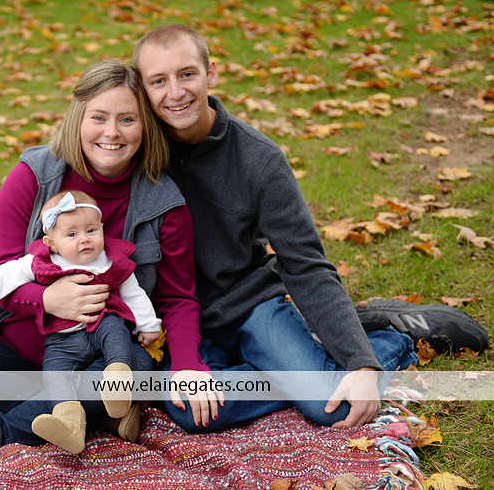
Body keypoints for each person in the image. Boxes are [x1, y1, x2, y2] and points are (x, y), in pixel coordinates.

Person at [0, 59, 217, 479]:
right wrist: (47, 299)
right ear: (78, 117)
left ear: (145, 126)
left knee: (124, 374)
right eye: (99, 117)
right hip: (22, 345)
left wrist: (187, 366)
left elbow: (178, 297)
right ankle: (99, 413)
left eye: (127, 119)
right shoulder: (33, 177)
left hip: (109, 350)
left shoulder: (163, 203)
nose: (112, 133)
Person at [132, 24, 419, 432]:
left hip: (250, 304)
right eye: (159, 81)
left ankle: (387, 340)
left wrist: (361, 363)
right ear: (142, 89)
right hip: (178, 320)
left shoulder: (259, 159)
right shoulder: (135, 150)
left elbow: (305, 264)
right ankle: (306, 369)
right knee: (189, 410)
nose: (175, 92)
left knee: (330, 405)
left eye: (187, 74)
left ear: (211, 73)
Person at [0, 189, 162, 454]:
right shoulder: (40, 262)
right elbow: (6, 274)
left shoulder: (112, 261)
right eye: (72, 234)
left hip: (102, 323)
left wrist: (148, 326)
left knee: (116, 334)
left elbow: (134, 294)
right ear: (51, 243)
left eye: (91, 230)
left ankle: (117, 381)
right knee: (55, 374)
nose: (84, 239)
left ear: (102, 229)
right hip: (62, 340)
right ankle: (70, 423)